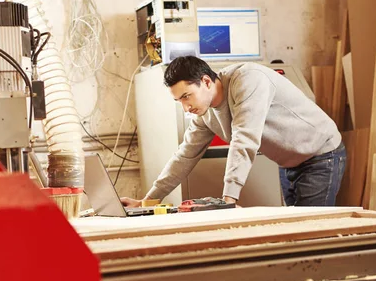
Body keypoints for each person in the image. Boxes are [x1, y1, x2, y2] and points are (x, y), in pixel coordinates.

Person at [121, 56, 346, 208]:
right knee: (298, 234)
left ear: (206, 81)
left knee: (311, 235)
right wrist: (147, 202)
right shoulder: (204, 114)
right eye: (179, 101)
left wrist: (228, 200)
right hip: (289, 163)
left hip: (320, 155)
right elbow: (184, 157)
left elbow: (244, 139)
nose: (185, 107)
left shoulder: (247, 80)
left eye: (187, 96)